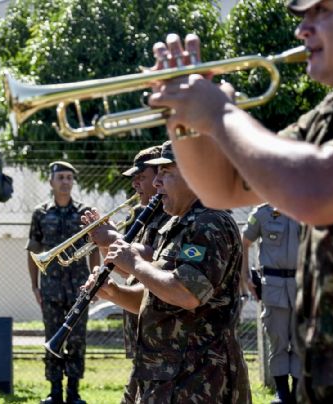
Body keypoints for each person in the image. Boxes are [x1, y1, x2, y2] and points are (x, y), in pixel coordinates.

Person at [147, 0, 333, 401]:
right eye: (303, 16)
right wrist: (182, 117)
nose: (302, 30)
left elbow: (313, 191)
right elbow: (222, 188)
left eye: (322, 12)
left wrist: (220, 114)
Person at [84, 141, 251, 402]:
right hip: (165, 374)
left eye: (166, 173)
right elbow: (156, 295)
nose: (157, 183)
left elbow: (185, 293)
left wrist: (134, 263)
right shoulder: (177, 225)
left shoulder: (210, 223)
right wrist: (114, 293)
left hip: (200, 379)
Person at [84, 145, 170, 403]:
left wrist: (113, 238)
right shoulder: (139, 215)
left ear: (160, 176)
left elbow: (155, 260)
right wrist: (104, 242)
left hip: (164, 333)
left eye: (141, 176)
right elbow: (126, 268)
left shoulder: (172, 215)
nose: (136, 184)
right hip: (140, 322)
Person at [26, 161, 100, 404]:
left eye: (69, 177)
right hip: (51, 288)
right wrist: (35, 287)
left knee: (77, 340)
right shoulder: (41, 213)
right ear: (51, 182)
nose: (65, 181)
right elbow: (34, 251)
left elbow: (94, 248)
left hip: (80, 286)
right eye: (61, 177)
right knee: (52, 338)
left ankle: (74, 392)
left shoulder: (84, 211)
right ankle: (54, 391)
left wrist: (95, 278)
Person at [242, 204, 301, 403]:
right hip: (273, 288)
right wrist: (245, 276)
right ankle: (283, 393)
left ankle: (298, 393)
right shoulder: (262, 213)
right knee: (278, 341)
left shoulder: (311, 206)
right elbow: (245, 241)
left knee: (302, 342)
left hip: (303, 286)